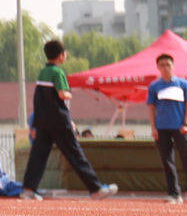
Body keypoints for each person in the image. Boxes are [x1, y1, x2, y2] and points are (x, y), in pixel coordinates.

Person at [22, 40, 119, 199]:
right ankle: (95, 188)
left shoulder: (42, 73)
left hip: (43, 122)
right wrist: (68, 94)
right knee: (75, 153)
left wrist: (35, 124)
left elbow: (39, 99)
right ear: (61, 56)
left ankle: (28, 189)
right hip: (59, 121)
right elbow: (62, 94)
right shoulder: (58, 73)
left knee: (38, 155)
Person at [144, 52, 187, 202]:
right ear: (158, 67)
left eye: (168, 64)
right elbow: (151, 107)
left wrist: (186, 123)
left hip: (181, 127)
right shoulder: (154, 86)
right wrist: (153, 127)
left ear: (173, 66)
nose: (165, 68)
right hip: (162, 128)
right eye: (162, 65)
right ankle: (174, 193)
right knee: (167, 160)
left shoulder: (183, 84)